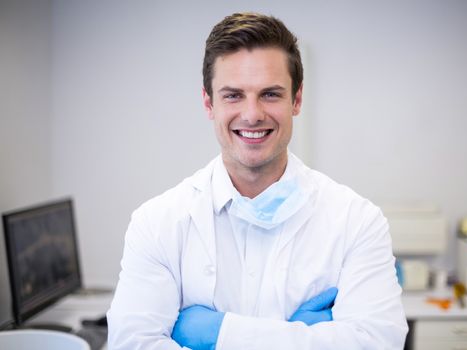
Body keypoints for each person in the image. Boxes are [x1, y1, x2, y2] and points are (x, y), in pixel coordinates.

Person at [107, 12, 408, 350]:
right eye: (233, 95)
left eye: (270, 94)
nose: (252, 114)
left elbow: (379, 343)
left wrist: (219, 333)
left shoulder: (357, 221)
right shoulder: (157, 222)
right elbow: (131, 344)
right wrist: (307, 338)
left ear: (296, 100)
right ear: (209, 103)